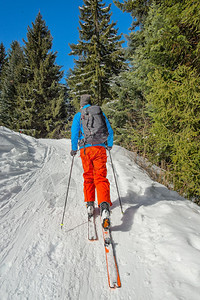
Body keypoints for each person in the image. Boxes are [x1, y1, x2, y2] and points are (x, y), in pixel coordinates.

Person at [70, 94, 113, 229]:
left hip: (85, 150)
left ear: (81, 104)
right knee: (100, 177)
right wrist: (109, 144)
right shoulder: (99, 112)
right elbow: (109, 130)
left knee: (88, 176)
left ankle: (90, 204)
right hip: (100, 148)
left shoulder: (79, 115)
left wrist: (73, 148)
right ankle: (104, 206)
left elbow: (74, 132)